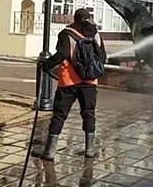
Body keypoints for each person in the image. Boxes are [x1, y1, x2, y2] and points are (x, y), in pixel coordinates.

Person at [38, 8, 106, 161]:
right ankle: (90, 150)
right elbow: (102, 56)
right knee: (88, 113)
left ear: (75, 19)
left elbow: (61, 54)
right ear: (89, 18)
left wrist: (46, 65)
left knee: (59, 115)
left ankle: (50, 152)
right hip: (90, 82)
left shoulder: (66, 33)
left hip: (68, 81)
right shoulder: (95, 34)